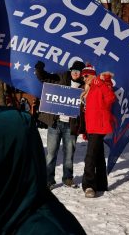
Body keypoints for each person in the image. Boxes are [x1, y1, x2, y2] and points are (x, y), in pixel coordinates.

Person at [34, 60, 85, 188]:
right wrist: (39, 69)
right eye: (73, 70)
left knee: (69, 154)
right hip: (55, 123)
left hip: (71, 125)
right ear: (70, 70)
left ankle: (68, 178)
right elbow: (44, 78)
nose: (75, 73)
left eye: (78, 72)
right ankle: (48, 180)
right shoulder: (61, 77)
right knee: (51, 154)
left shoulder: (84, 86)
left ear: (81, 74)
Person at [80, 66, 116, 198]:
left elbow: (110, 98)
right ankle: (101, 184)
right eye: (83, 76)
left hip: (99, 126)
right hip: (92, 127)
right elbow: (89, 112)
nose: (84, 78)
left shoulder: (102, 84)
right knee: (99, 155)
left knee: (90, 156)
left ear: (92, 75)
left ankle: (89, 185)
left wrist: (99, 82)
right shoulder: (88, 90)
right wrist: (86, 130)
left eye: (86, 76)